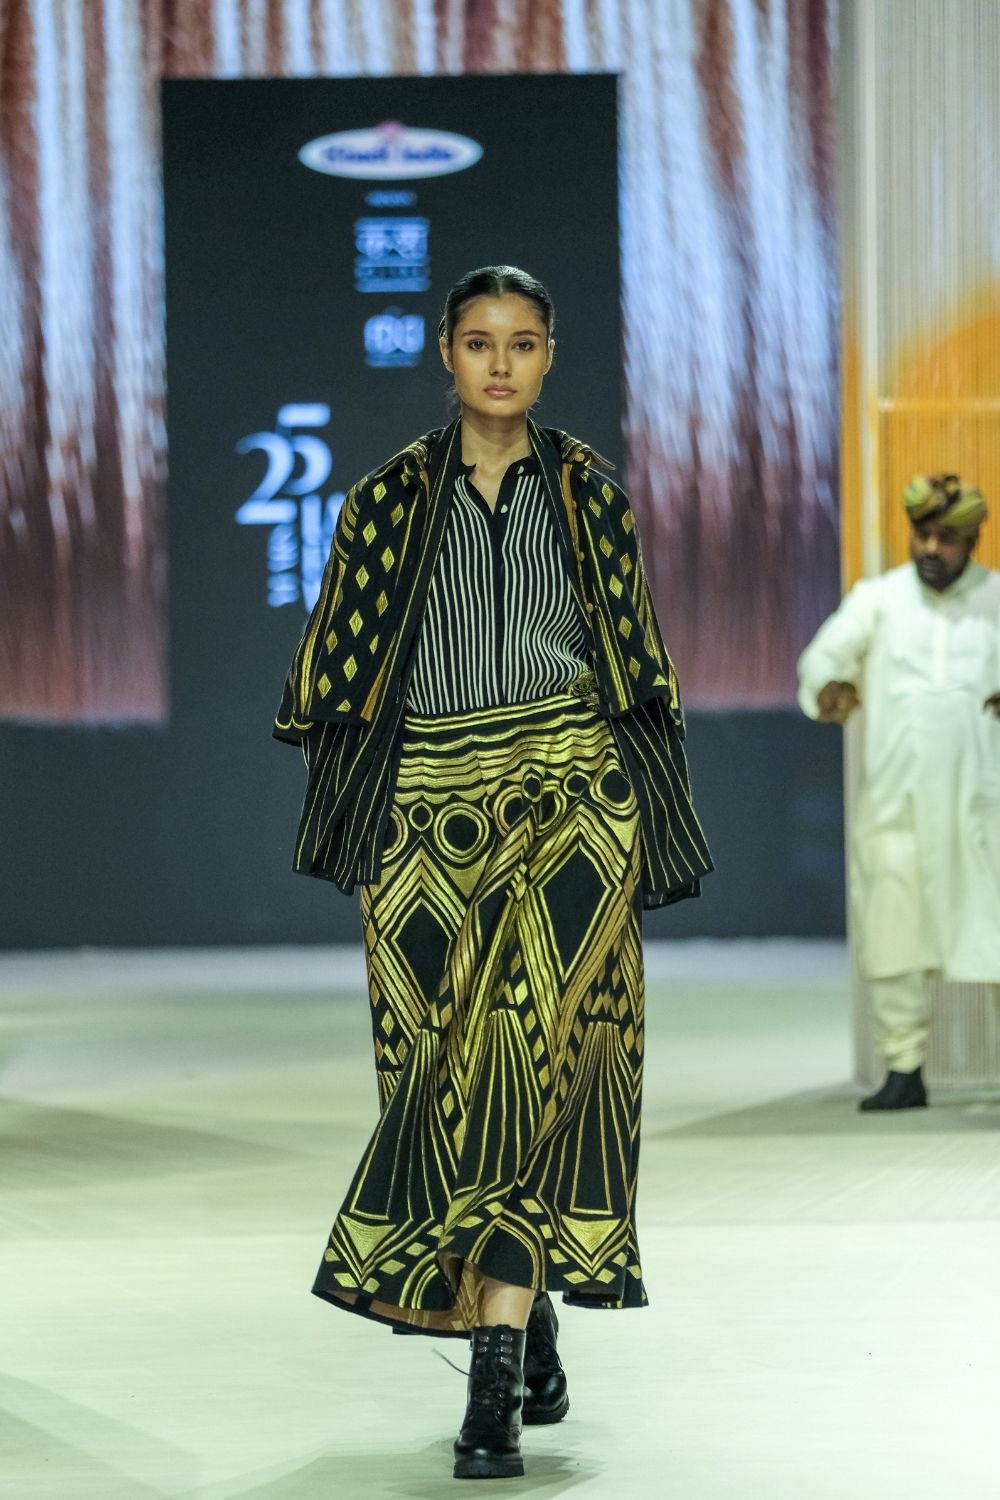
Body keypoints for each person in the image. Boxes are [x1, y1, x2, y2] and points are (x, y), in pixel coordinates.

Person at [274, 265, 712, 1479]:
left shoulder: (591, 495)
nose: (501, 364)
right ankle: (528, 1307)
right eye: (479, 342)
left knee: (532, 1051)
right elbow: (336, 673)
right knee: (441, 1075)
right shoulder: (384, 501)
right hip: (428, 818)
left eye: (522, 343)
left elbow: (637, 665)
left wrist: (647, 819)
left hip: (572, 798)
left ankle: (492, 1384)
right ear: (445, 353)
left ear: (549, 355)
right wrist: (359, 825)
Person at [798, 473, 1000, 1111]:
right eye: (923, 535)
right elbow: (823, 657)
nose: (931, 548)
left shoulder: (996, 598)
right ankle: (904, 1069)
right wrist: (829, 686)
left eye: (947, 538)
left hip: (980, 809)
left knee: (994, 932)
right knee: (894, 933)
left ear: (971, 541)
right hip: (897, 805)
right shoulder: (878, 600)